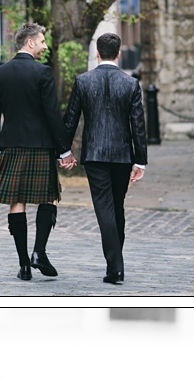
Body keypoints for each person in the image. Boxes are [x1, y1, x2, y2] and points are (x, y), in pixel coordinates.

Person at [0, 23, 77, 281]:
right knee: (48, 197)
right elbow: (51, 115)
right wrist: (64, 150)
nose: (45, 46)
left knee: (17, 201)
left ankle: (24, 265)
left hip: (11, 145)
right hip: (39, 145)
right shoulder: (43, 72)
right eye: (43, 41)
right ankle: (39, 252)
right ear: (30, 43)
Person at [61, 31, 148, 285]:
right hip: (122, 154)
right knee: (116, 207)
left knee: (105, 208)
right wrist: (140, 160)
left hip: (95, 155)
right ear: (119, 54)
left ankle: (115, 266)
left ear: (97, 53)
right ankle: (115, 264)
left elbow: (70, 121)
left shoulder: (83, 81)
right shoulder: (130, 83)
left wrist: (64, 152)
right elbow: (138, 126)